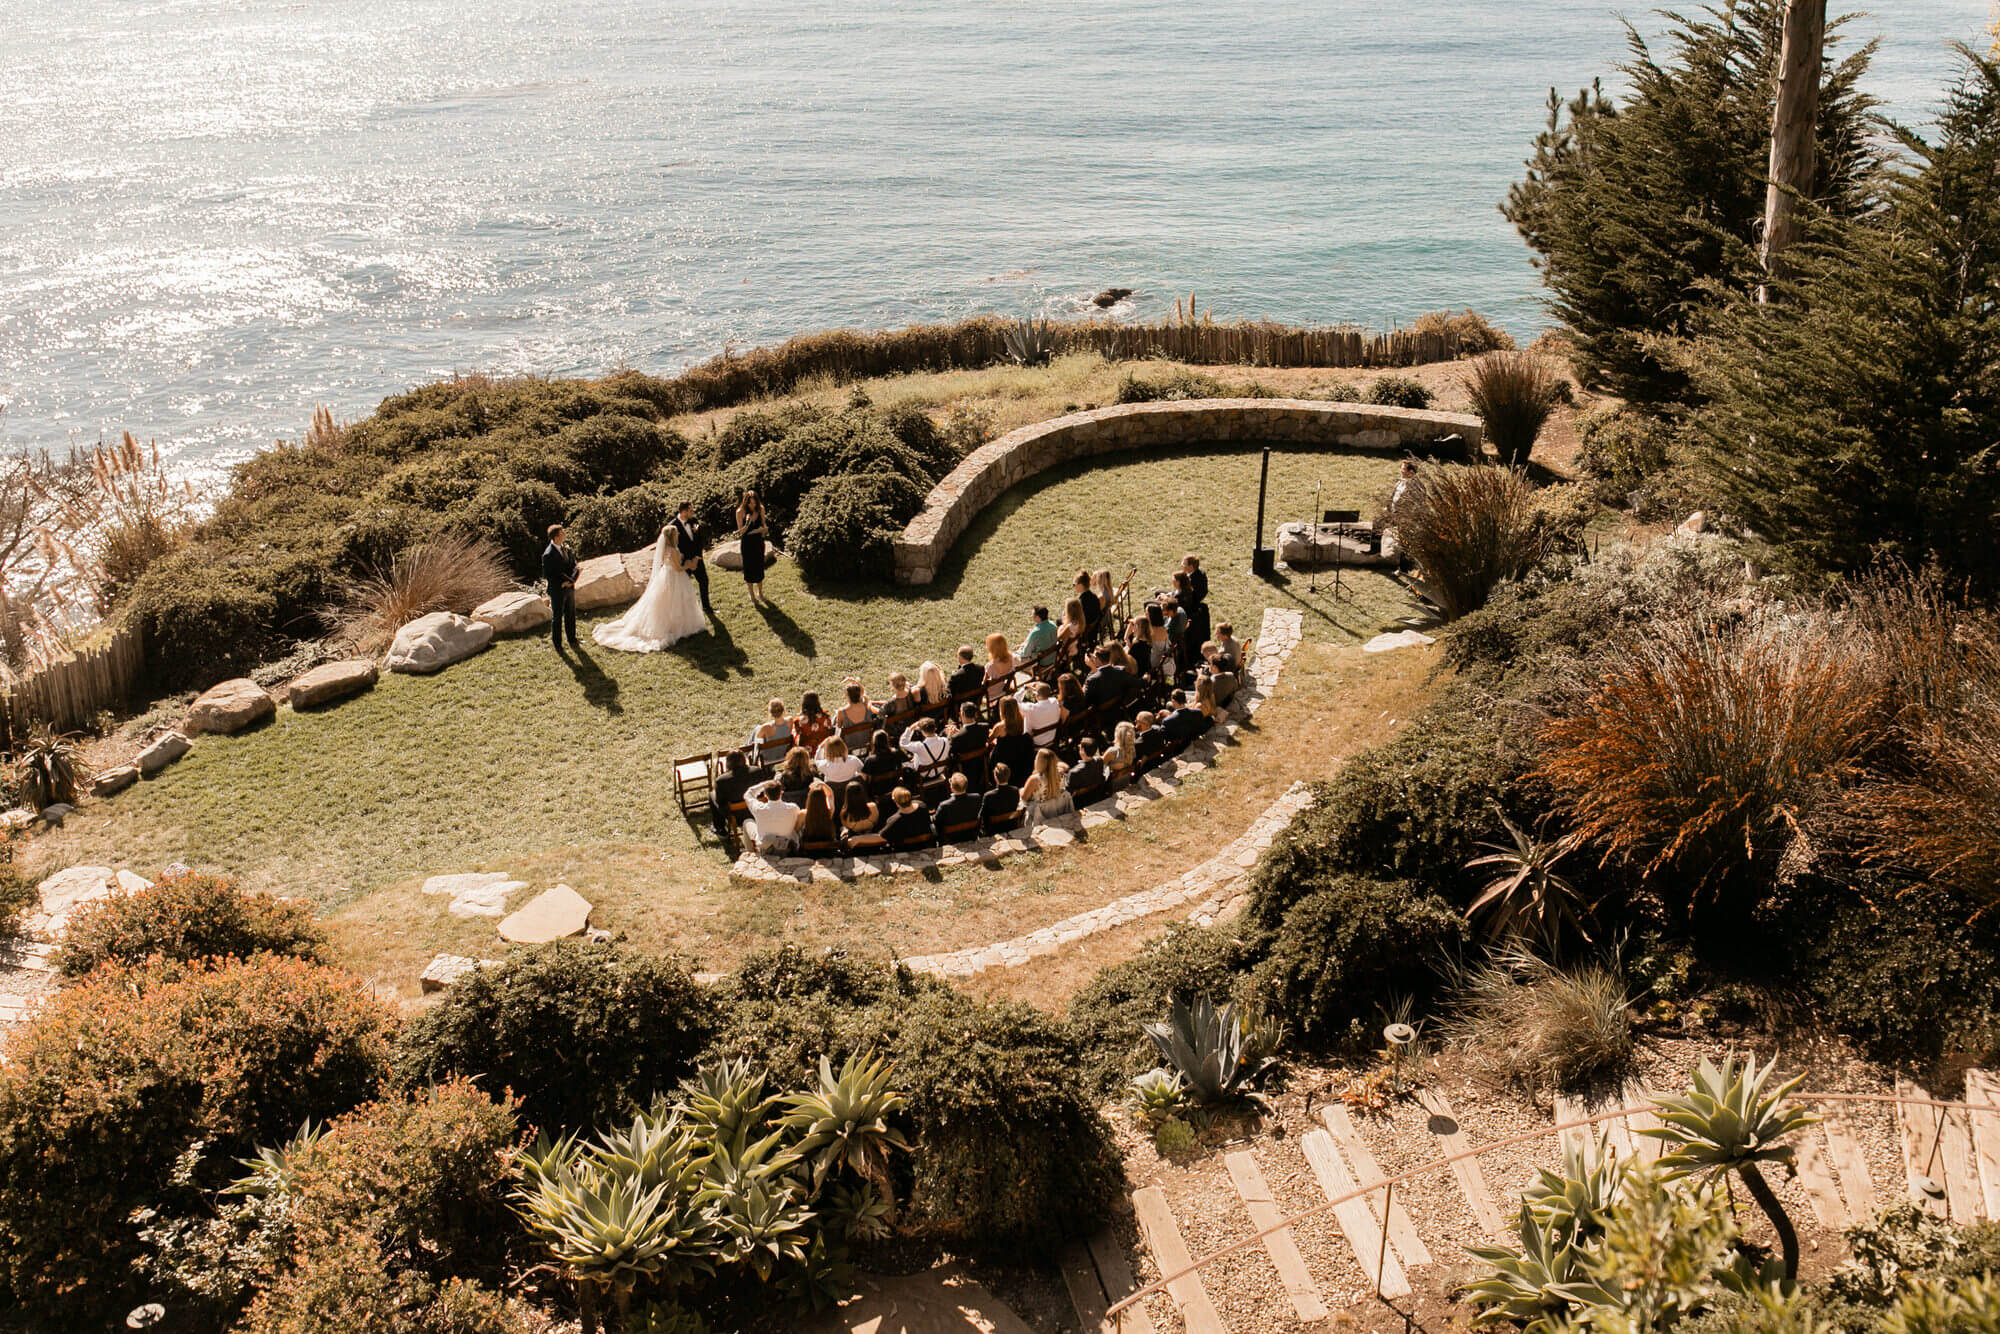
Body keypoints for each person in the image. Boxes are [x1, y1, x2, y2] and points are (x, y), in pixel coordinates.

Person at [594, 521, 708, 652]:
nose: (679, 534)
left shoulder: (666, 549)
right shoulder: (674, 550)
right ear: (672, 536)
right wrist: (690, 564)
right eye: (677, 533)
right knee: (676, 601)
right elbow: (678, 568)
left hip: (665, 575)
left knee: (665, 603)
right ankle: (678, 627)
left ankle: (672, 625)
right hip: (674, 577)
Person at [541, 523, 580, 652]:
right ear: (556, 537)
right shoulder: (548, 554)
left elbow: (573, 564)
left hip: (569, 587)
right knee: (557, 617)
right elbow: (549, 575)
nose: (565, 534)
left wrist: (572, 580)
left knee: (571, 614)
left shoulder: (565, 547)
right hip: (557, 589)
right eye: (562, 533)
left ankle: (572, 639)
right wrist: (563, 583)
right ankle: (558, 645)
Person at [673, 501, 713, 618]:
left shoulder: (694, 521)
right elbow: (674, 547)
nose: (693, 512)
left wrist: (696, 558)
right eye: (691, 510)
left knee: (704, 581)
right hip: (684, 563)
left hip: (697, 558)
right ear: (684, 512)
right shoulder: (673, 526)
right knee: (682, 588)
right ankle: (684, 614)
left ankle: (706, 607)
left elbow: (699, 540)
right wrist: (687, 562)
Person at [744, 780, 802, 854]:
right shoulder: (793, 808)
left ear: (765, 794)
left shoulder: (758, 809)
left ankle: (751, 854)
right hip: (787, 846)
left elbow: (748, 794)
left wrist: (763, 785)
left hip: (766, 847)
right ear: (781, 792)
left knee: (747, 822)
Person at [712, 750, 760, 837]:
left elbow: (720, 803)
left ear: (728, 763)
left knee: (712, 795)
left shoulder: (722, 780)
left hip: (737, 815)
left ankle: (720, 828)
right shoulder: (757, 771)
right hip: (757, 809)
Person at [735, 489, 770, 606]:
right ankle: (751, 594)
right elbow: (740, 532)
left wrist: (764, 530)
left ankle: (760, 593)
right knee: (749, 568)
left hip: (759, 542)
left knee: (759, 567)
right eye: (750, 503)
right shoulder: (740, 512)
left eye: (754, 503)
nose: (752, 505)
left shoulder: (761, 509)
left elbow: (764, 524)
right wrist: (747, 523)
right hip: (747, 543)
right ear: (746, 501)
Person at [989, 697, 1036, 782]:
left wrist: (991, 733)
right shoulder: (1022, 719)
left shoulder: (1000, 726)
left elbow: (989, 739)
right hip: (1021, 755)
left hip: (1005, 758)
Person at [1021, 748, 1072, 825]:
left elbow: (1024, 798)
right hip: (1057, 807)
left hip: (1041, 813)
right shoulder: (1061, 772)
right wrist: (1052, 759)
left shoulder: (1034, 779)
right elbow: (1066, 766)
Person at [947, 701, 990, 784]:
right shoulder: (984, 727)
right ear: (976, 714)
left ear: (962, 714)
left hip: (966, 771)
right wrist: (959, 732)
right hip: (983, 768)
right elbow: (971, 736)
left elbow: (949, 753)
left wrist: (949, 737)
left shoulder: (956, 737)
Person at [933, 772, 983, 837]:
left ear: (951, 788)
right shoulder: (977, 797)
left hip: (953, 838)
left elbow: (936, 821)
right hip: (971, 834)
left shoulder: (944, 806)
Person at [750, 699, 793, 766]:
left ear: (771, 713)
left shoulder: (765, 728)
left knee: (757, 729)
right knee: (758, 728)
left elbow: (757, 744)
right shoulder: (790, 721)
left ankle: (746, 753)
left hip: (769, 758)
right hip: (783, 754)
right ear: (783, 710)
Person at [980, 762, 1021, 832]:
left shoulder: (988, 796)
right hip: (1011, 826)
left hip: (994, 830)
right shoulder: (1015, 790)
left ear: (995, 778)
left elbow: (982, 816)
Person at [797, 782, 840, 849]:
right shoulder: (829, 811)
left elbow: (796, 830)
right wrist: (822, 784)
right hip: (827, 847)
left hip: (808, 848)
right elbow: (830, 794)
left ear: (809, 799)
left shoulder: (803, 814)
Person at [1020, 680, 1062, 746]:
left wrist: (1024, 688)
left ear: (1036, 694)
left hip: (1036, 741)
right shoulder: (1055, 701)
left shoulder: (1030, 708)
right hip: (1052, 737)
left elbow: (1014, 701)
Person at [982, 632, 1017, 701]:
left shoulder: (990, 666)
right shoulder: (1011, 658)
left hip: (991, 694)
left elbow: (984, 684)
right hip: (1003, 688)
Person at [1107, 721, 1139, 786]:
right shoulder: (1132, 748)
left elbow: (1101, 765)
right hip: (1127, 779)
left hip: (1113, 784)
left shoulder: (1112, 751)